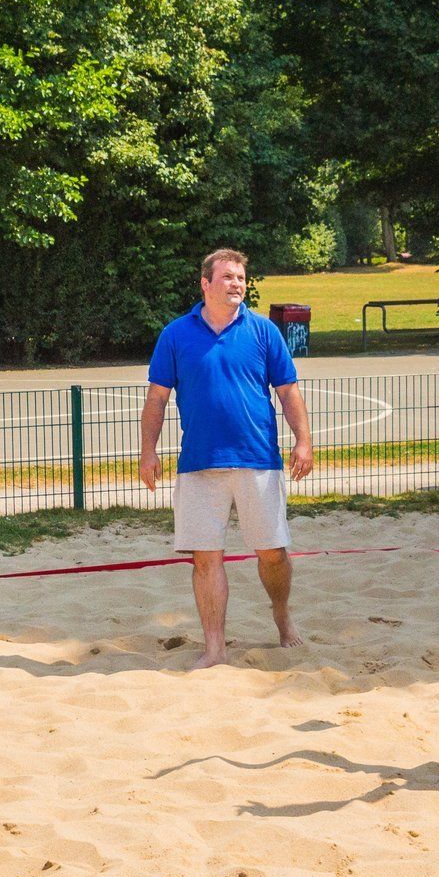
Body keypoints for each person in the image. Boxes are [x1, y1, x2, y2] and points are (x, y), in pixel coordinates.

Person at [139, 249, 314, 669]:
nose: (237, 284)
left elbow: (288, 391)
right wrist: (148, 451)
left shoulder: (263, 331)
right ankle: (215, 648)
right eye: (228, 277)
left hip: (258, 459)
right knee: (206, 558)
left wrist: (303, 442)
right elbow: (157, 398)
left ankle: (282, 615)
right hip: (199, 463)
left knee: (272, 553)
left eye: (241, 278)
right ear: (206, 284)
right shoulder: (176, 334)